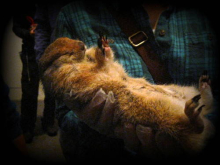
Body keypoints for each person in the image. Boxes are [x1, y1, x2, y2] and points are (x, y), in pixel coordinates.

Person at [50, 1, 219, 162]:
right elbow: (65, 115)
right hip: (121, 138)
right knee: (165, 113)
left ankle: (196, 119)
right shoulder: (72, 14)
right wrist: (94, 125)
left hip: (156, 94)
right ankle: (192, 124)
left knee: (179, 101)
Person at [34, 1, 72, 137]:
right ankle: (49, 121)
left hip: (84, 56)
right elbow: (42, 27)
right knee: (52, 96)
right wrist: (41, 58)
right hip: (57, 57)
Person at [12, 4, 39, 143]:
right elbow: (16, 27)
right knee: (29, 92)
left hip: (48, 50)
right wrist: (29, 33)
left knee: (52, 90)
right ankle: (27, 128)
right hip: (30, 52)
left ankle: (49, 122)